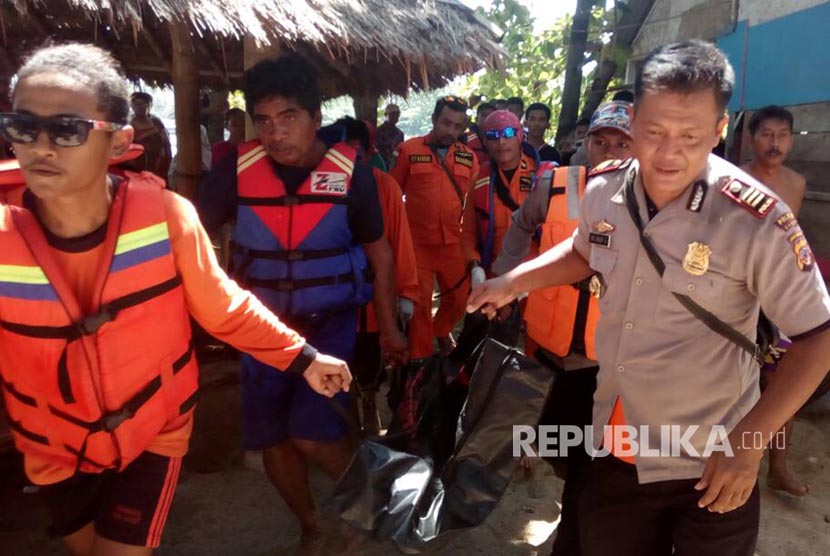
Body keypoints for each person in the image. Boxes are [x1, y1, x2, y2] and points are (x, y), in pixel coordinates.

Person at [468, 40, 830, 556]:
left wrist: (749, 445)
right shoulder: (602, 191)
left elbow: (819, 338)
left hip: (711, 465)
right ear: (633, 121)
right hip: (614, 447)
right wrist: (515, 280)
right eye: (655, 132)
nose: (669, 153)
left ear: (720, 131)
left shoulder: (756, 220)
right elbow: (583, 252)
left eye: (691, 136)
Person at [0, 42, 352, 556]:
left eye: (67, 129)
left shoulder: (167, 217)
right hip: (51, 446)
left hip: (152, 435)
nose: (41, 147)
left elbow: (224, 307)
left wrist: (303, 358)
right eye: (23, 128)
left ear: (119, 143)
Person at [196, 55, 406, 551]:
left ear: (315, 118)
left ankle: (374, 505)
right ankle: (312, 524)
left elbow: (380, 252)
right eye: (264, 121)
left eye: (288, 117)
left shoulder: (352, 174)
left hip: (330, 322)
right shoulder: (235, 172)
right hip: (259, 327)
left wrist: (391, 325)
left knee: (312, 432)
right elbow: (192, 236)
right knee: (272, 438)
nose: (274, 133)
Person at [491, 99, 633, 556]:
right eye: (600, 140)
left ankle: (572, 529)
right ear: (585, 142)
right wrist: (503, 280)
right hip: (548, 346)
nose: (609, 151)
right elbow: (518, 227)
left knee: (592, 459)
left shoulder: (651, 197)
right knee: (554, 441)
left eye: (621, 142)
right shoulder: (558, 184)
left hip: (606, 355)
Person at [334, 116, 419, 432]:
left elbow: (400, 242)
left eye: (355, 152)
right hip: (334, 299)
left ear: (368, 153)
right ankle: (345, 422)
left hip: (373, 301)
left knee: (369, 364)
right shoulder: (320, 186)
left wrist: (406, 293)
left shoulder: (386, 187)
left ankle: (369, 410)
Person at [742, 105, 809, 496]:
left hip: (775, 293)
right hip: (732, 291)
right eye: (767, 134)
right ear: (752, 138)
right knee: (729, 382)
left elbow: (791, 243)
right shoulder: (732, 178)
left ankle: (777, 467)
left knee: (784, 382)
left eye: (782, 135)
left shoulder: (796, 183)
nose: (775, 142)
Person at [390, 95, 479, 358]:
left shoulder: (468, 157)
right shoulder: (408, 150)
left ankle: (439, 331)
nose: (450, 131)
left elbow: (473, 203)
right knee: (419, 307)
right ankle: (420, 365)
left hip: (453, 243)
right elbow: (392, 194)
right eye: (446, 123)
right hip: (416, 245)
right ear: (434, 120)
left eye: (457, 126)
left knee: (459, 299)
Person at [463, 109, 539, 281]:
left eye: (508, 133)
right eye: (492, 135)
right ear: (485, 142)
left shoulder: (542, 176)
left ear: (520, 136)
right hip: (494, 276)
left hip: (534, 277)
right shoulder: (479, 180)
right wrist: (474, 266)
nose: (501, 141)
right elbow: (468, 232)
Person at [126, 92, 171, 179]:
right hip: (138, 164)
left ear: (149, 105)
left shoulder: (156, 122)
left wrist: (169, 159)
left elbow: (166, 142)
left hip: (159, 163)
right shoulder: (129, 123)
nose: (139, 107)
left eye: (142, 104)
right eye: (136, 104)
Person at [464, 101, 495, 165]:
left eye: (491, 116)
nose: (487, 119)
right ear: (477, 118)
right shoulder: (464, 139)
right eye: (484, 115)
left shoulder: (500, 140)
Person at [375, 102, 404, 169]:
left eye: (397, 114)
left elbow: (400, 151)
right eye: (392, 114)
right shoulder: (378, 132)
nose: (395, 117)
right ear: (386, 115)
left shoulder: (399, 134)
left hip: (395, 166)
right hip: (381, 166)